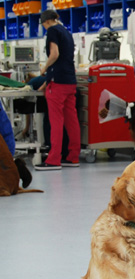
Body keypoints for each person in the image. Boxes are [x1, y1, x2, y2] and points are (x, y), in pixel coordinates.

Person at [34, 10, 81, 171]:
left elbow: (54, 55)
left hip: (58, 85)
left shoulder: (52, 31)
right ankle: (73, 156)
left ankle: (54, 159)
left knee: (56, 121)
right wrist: (46, 82)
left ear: (45, 22)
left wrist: (43, 69)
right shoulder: (66, 32)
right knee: (71, 121)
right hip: (70, 82)